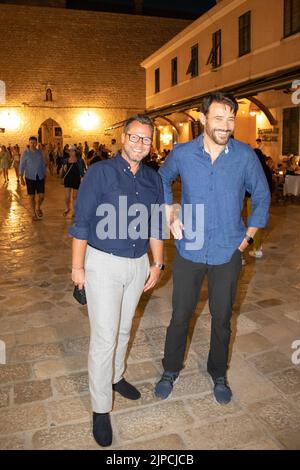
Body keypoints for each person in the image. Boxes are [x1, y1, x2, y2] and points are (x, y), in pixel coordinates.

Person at [155, 92, 270, 404]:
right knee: (180, 315)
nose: (226, 125)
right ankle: (170, 369)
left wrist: (246, 239)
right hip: (189, 249)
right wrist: (169, 212)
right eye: (219, 118)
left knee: (222, 318)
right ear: (203, 119)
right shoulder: (182, 153)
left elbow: (261, 195)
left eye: (230, 118)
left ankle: (218, 372)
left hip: (227, 251)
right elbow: (161, 179)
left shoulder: (245, 156)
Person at [69, 114, 164, 447]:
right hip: (102, 264)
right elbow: (81, 221)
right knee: (104, 336)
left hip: (138, 265)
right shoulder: (100, 172)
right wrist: (77, 267)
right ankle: (99, 408)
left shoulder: (154, 179)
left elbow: (155, 224)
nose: (140, 144)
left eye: (146, 139)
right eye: (134, 137)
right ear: (123, 138)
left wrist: (158, 263)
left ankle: (115, 376)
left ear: (152, 144)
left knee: (125, 328)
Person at [248, 148, 273, 258]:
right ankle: (258, 246)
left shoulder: (254, 169)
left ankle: (257, 248)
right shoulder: (266, 168)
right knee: (259, 225)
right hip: (264, 200)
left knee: (254, 224)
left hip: (254, 199)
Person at [20, 136, 46, 221]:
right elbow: (22, 165)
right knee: (32, 197)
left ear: (36, 143)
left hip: (40, 176)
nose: (33, 144)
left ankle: (38, 207)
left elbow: (43, 163)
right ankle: (34, 214)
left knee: (41, 196)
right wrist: (21, 177)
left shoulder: (40, 152)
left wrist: (44, 173)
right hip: (30, 177)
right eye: (31, 142)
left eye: (34, 142)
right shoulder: (25, 153)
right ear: (29, 143)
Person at [62, 145, 85, 217]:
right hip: (68, 178)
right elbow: (63, 170)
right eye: (70, 151)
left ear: (75, 152)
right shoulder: (66, 160)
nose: (71, 152)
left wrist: (82, 177)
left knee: (75, 196)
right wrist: (62, 176)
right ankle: (67, 208)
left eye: (72, 151)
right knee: (67, 195)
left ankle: (74, 211)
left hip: (76, 178)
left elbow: (83, 169)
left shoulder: (80, 160)